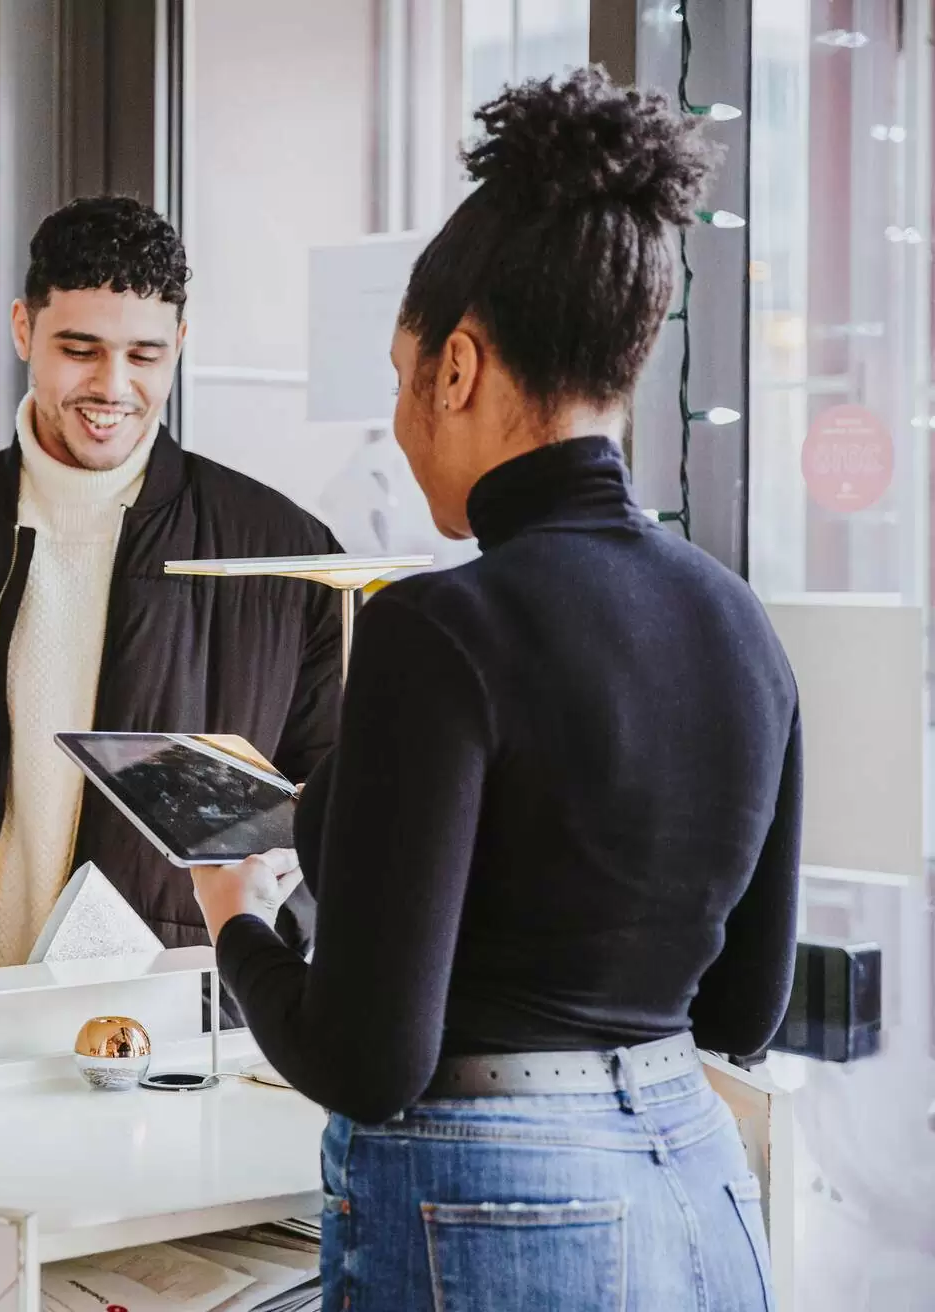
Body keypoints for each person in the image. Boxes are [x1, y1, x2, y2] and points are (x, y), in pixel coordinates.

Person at [191, 70, 797, 1309]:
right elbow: (747, 1003)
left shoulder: (440, 627)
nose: (403, 423)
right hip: (702, 1190)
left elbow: (369, 1061)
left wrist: (233, 920)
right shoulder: (741, 623)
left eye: (403, 374)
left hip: (508, 1213)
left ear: (456, 366)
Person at [0, 196, 342, 975]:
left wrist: (252, 972)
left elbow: (332, 812)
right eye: (80, 350)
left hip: (161, 1026)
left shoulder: (287, 557)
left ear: (180, 343)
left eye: (145, 356)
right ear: (24, 329)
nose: (112, 386)